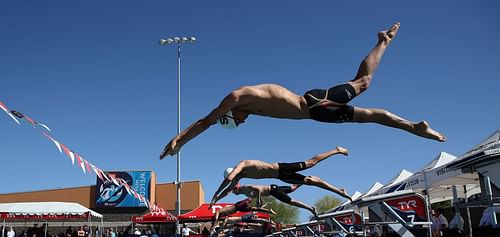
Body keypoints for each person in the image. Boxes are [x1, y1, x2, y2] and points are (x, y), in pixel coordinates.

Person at [160, 22, 445, 160]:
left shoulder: (238, 97)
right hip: (318, 113)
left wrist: (181, 138)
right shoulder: (249, 108)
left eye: (237, 122)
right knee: (368, 106)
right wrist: (181, 141)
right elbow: (210, 121)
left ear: (232, 113)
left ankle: (384, 42)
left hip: (315, 103)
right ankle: (414, 127)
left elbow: (207, 120)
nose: (243, 123)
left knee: (364, 85)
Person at [210, 146, 351, 205]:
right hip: (280, 177)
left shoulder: (243, 164)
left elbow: (228, 180)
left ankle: (337, 150)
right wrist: (216, 199)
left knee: (311, 163)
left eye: (234, 176)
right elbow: (229, 189)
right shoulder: (240, 177)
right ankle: (339, 191)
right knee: (309, 181)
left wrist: (216, 192)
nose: (235, 181)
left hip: (282, 167)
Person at [232, 183, 318, 217]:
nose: (233, 193)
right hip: (273, 188)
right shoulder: (245, 193)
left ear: (236, 188)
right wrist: (260, 200)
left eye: (233, 190)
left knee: (291, 202)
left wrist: (258, 200)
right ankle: (305, 180)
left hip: (273, 191)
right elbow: (258, 192)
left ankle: (310, 208)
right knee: (293, 187)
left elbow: (258, 189)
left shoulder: (245, 187)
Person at [210, 198, 275, 231]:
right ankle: (269, 211)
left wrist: (213, 227)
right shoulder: (219, 217)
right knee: (255, 209)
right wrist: (213, 227)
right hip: (239, 209)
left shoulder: (217, 212)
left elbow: (216, 218)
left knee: (250, 200)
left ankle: (257, 195)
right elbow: (216, 222)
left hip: (237, 206)